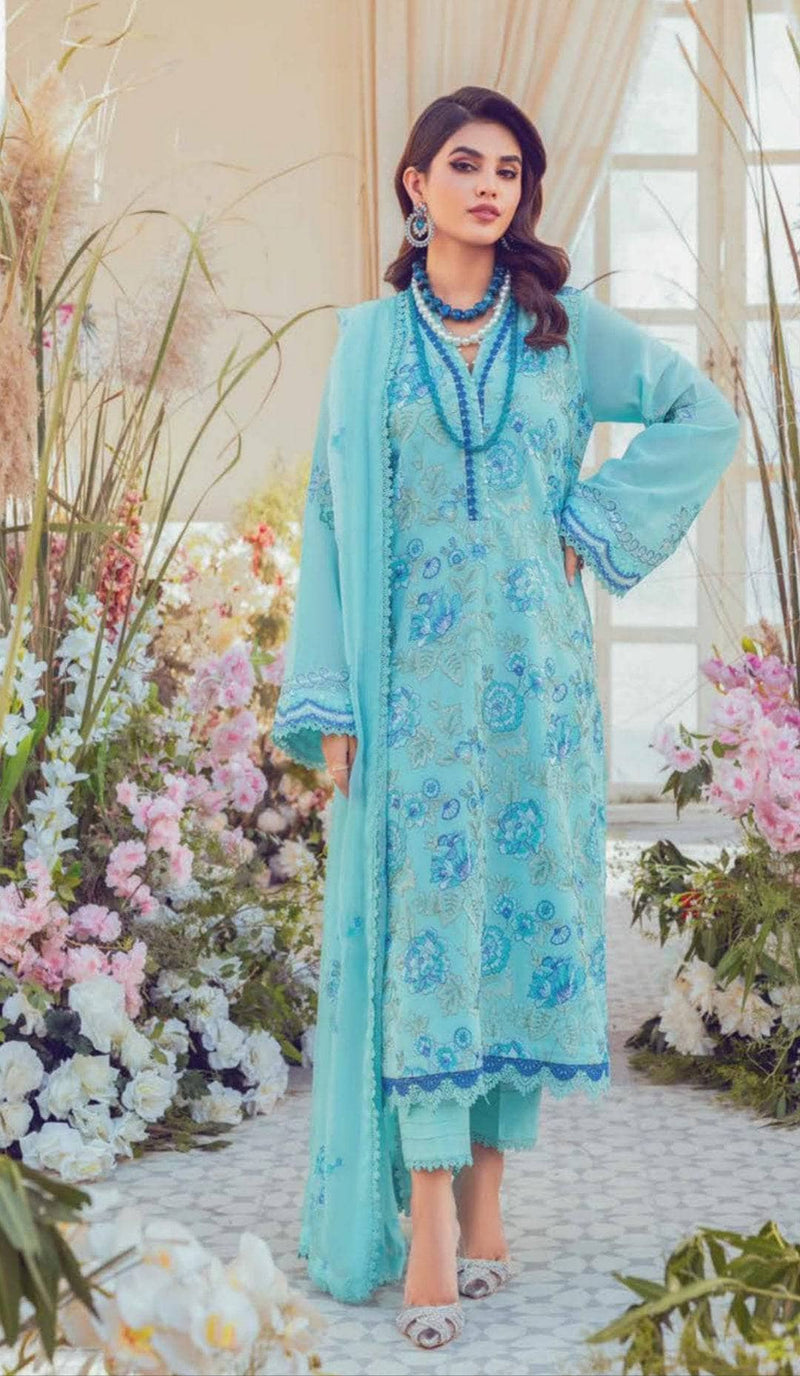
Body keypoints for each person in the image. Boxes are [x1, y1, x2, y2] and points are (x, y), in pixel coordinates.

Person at [271, 85, 741, 1351]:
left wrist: (590, 522)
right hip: (410, 701)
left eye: (509, 170)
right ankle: (428, 1214)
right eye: (464, 164)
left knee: (512, 927)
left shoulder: (557, 327)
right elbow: (326, 515)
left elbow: (701, 414)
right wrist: (328, 698)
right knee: (427, 935)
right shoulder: (368, 344)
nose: (489, 186)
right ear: (414, 185)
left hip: (536, 695)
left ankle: (486, 1205)